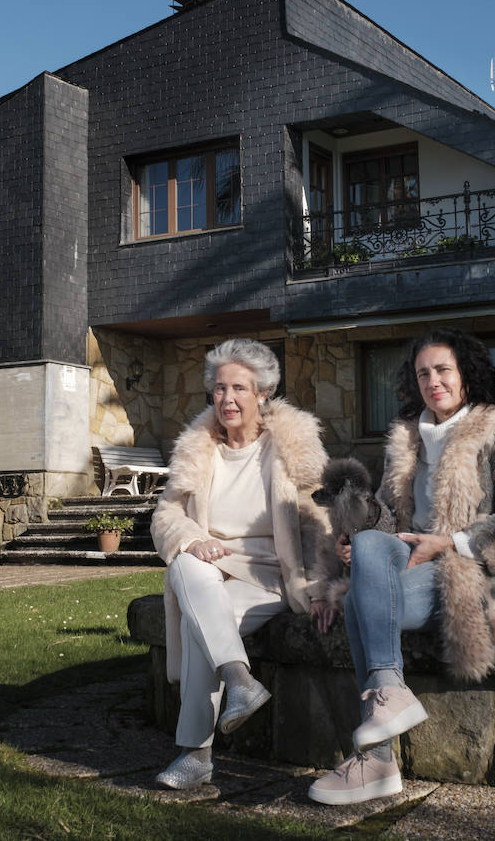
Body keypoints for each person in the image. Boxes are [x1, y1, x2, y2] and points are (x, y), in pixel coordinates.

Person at [307, 328, 495, 806]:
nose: (433, 381)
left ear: (466, 374)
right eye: (423, 373)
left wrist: (452, 542)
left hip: (479, 569)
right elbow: (385, 513)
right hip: (408, 557)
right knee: (372, 548)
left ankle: (377, 759)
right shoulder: (406, 439)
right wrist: (353, 532)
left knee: (361, 597)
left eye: (443, 370)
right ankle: (389, 692)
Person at [150, 338, 344, 790]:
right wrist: (192, 539)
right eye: (219, 389)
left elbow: (318, 514)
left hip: (271, 577)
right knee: (184, 565)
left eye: (239, 388)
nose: (228, 399)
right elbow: (166, 514)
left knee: (200, 629)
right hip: (212, 569)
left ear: (262, 394)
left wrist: (321, 582)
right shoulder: (199, 448)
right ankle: (240, 679)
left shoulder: (288, 446)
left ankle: (195, 754)